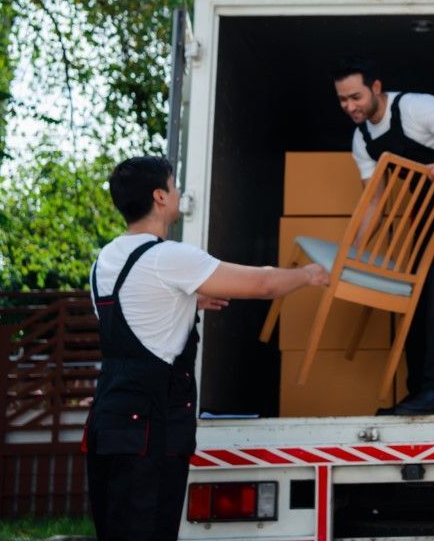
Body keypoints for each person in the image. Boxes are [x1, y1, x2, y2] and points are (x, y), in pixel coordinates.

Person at [84, 156, 332, 541]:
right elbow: (263, 284)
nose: (179, 193)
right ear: (160, 197)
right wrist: (308, 274)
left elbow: (134, 315)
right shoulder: (169, 256)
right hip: (150, 429)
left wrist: (187, 301)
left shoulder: (104, 260)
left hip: (110, 423)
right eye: (174, 185)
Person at [333, 59, 434, 415]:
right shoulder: (362, 139)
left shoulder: (416, 107)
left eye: (356, 97)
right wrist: (351, 256)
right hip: (426, 213)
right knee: (416, 301)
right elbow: (375, 201)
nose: (350, 106)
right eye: (343, 100)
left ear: (376, 88)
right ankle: (419, 393)